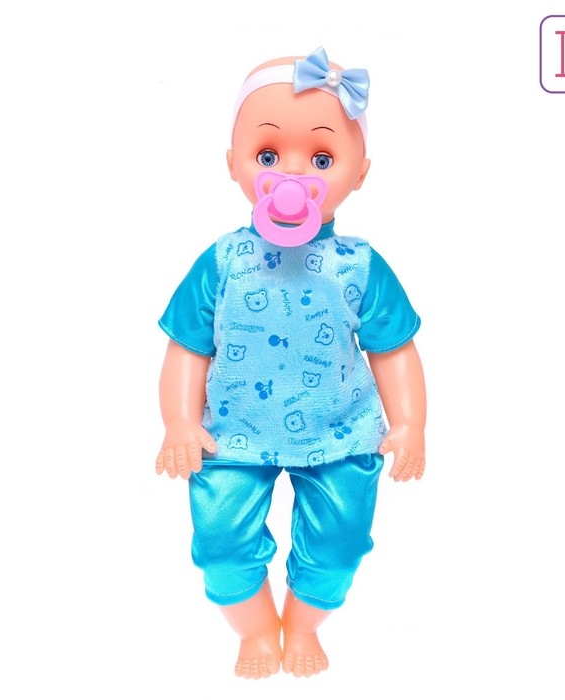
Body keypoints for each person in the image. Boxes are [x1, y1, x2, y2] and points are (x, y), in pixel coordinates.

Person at [155, 47, 427, 679]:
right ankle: (254, 631)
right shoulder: (222, 263)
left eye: (323, 159)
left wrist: (409, 423)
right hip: (231, 433)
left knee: (340, 544)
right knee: (219, 544)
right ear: (233, 162)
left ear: (360, 172)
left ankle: (303, 624)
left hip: (340, 431)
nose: (293, 176)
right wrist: (179, 421)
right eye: (269, 154)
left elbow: (394, 349)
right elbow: (188, 346)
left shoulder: (360, 267)